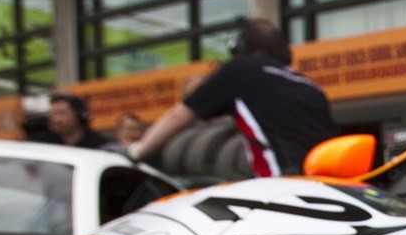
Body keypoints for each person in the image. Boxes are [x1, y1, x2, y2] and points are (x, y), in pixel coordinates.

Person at [129, 18, 337, 177]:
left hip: (281, 183)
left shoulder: (239, 69)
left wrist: (136, 152)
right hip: (325, 179)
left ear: (242, 48)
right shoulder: (310, 85)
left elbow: (179, 116)